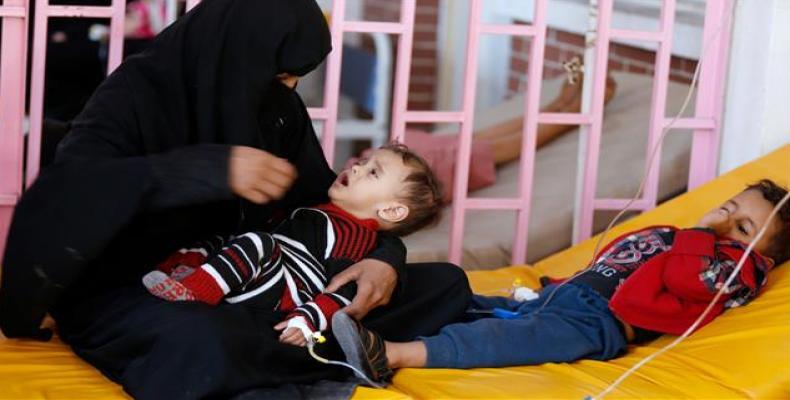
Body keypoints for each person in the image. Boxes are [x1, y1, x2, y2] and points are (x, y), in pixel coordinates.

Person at [0, 1, 471, 398]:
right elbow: (69, 195)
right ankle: (315, 350)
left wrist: (386, 258)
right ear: (237, 57)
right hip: (145, 291)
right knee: (201, 344)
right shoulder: (135, 95)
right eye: (280, 75)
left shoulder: (277, 110)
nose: (287, 93)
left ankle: (297, 346)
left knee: (446, 283)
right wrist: (205, 169)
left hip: (264, 292)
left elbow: (325, 204)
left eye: (293, 80)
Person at [332, 179, 790, 383]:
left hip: (599, 326)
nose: (728, 225)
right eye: (729, 208)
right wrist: (558, 284)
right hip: (568, 298)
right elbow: (618, 262)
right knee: (472, 303)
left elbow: (685, 279)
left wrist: (701, 234)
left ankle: (389, 355)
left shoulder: (734, 268)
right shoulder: (684, 238)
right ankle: (359, 324)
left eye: (745, 229)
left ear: (766, 257)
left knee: (505, 337)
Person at [142, 144, 443, 347]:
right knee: (223, 238)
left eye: (372, 172)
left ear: (391, 210)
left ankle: (191, 296)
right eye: (363, 161)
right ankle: (181, 273)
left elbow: (343, 292)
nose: (355, 167)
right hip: (265, 272)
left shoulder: (357, 238)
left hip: (284, 292)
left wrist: (307, 321)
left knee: (255, 242)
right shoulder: (323, 210)